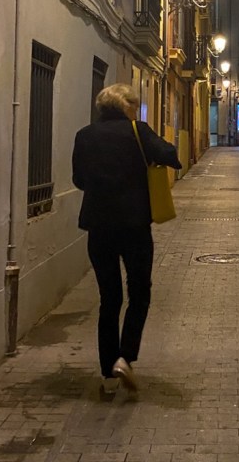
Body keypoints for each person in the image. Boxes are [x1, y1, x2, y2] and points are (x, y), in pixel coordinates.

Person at [72, 83, 182, 395]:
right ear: (126, 106)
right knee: (140, 292)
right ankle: (125, 357)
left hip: (99, 227)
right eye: (134, 105)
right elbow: (170, 155)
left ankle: (108, 374)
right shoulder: (138, 131)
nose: (135, 110)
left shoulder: (84, 135)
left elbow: (78, 179)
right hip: (134, 227)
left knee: (109, 298)